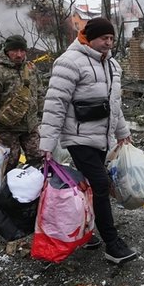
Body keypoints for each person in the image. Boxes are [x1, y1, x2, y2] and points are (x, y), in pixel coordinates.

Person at [38, 17, 138, 265]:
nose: (109, 43)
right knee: (101, 185)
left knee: (90, 187)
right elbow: (55, 104)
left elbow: (114, 104)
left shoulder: (112, 65)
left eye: (112, 38)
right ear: (89, 37)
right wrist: (47, 144)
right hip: (77, 137)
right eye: (104, 38)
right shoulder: (69, 63)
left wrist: (122, 132)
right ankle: (112, 243)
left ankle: (86, 232)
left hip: (101, 138)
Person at [0, 35, 43, 173]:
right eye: (14, 51)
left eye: (22, 50)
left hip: (30, 125)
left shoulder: (31, 68)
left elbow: (39, 93)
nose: (19, 54)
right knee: (10, 161)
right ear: (6, 51)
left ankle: (34, 190)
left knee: (37, 159)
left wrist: (46, 116)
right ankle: (5, 191)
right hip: (7, 127)